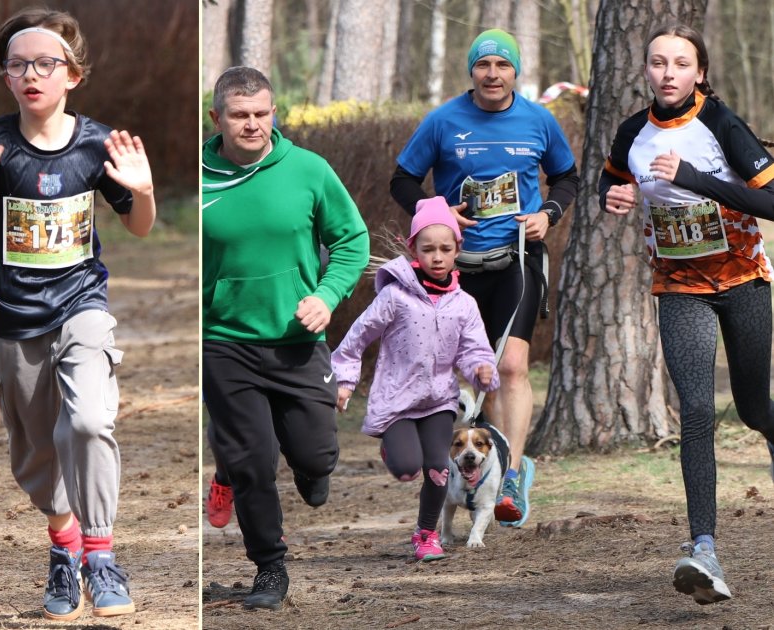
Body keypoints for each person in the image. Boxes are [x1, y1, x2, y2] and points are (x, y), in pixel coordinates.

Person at [0, 7, 154, 620]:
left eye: (46, 63)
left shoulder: (95, 143)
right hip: (13, 320)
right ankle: (65, 549)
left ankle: (102, 555)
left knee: (87, 423)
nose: (32, 74)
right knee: (36, 455)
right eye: (19, 64)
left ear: (73, 75)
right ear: (6, 77)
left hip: (82, 306)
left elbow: (139, 227)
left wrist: (143, 190)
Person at [600, 23, 774, 605]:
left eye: (680, 63)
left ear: (699, 72)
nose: (668, 72)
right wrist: (615, 196)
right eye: (657, 63)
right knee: (696, 409)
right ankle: (704, 549)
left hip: (743, 279)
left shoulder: (721, 124)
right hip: (678, 285)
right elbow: (613, 179)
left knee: (753, 408)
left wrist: (697, 180)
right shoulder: (632, 132)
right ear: (646, 70)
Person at [389, 28, 579, 528]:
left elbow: (567, 176)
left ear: (516, 72)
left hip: (518, 258)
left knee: (513, 366)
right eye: (483, 66)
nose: (492, 75)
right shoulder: (444, 120)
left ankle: (512, 476)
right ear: (471, 71)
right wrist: (435, 210)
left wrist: (550, 214)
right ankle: (491, 466)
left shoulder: (539, 120)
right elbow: (401, 179)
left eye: (502, 66)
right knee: (479, 376)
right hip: (457, 267)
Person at [202, 66, 369, 610]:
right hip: (224, 342)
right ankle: (269, 569)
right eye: (239, 115)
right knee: (252, 462)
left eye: (261, 113)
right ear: (217, 118)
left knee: (315, 455)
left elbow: (352, 241)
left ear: (273, 113)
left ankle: (311, 466)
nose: (252, 125)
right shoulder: (199, 177)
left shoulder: (308, 170)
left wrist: (327, 295)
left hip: (297, 341)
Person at [331, 197, 498, 561]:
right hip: (398, 400)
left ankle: (426, 535)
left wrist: (481, 370)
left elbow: (474, 351)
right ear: (414, 250)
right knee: (408, 469)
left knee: (439, 467)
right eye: (428, 249)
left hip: (439, 400)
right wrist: (344, 380)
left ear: (457, 250)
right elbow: (357, 337)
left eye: (445, 249)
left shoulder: (464, 304)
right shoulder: (394, 296)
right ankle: (394, 447)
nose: (437, 257)